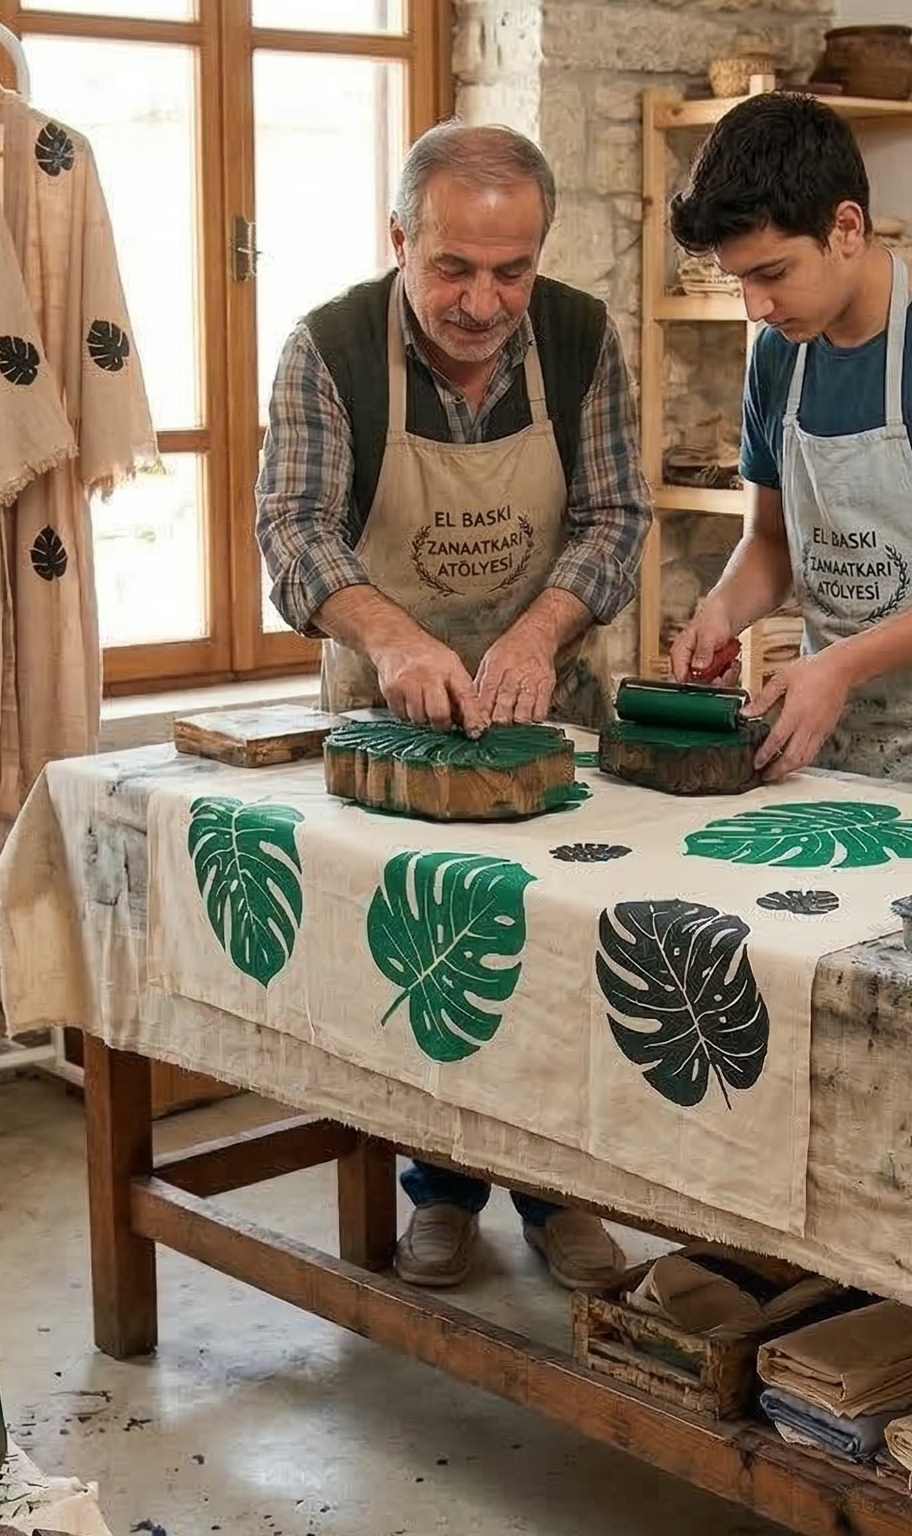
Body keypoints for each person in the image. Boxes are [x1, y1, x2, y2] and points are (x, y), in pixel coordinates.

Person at [255, 120, 652, 1291]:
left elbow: (618, 517)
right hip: (386, 711)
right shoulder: (327, 347)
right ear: (400, 240)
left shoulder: (580, 338)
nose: (485, 303)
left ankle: (562, 1191)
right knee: (415, 956)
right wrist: (393, 637)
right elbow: (294, 528)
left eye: (512, 271)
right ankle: (435, 1182)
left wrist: (537, 632)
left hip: (548, 701)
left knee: (562, 957)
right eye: (453, 269)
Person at [667, 94, 912, 806]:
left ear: (846, 226)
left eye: (772, 273)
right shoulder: (778, 357)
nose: (755, 306)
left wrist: (844, 664)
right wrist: (721, 612)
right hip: (828, 734)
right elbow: (771, 542)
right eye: (739, 279)